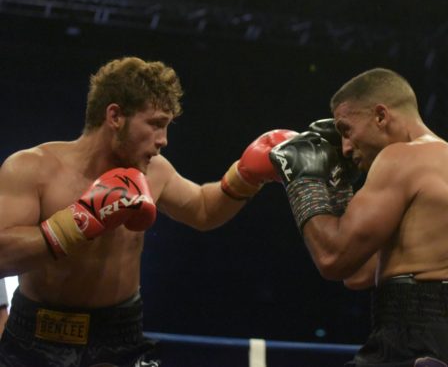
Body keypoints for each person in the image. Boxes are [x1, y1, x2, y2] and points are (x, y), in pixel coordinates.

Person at [0, 56, 296, 367]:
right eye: (155, 124)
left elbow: (204, 209)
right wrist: (78, 222)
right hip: (36, 336)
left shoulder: (154, 172)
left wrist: (246, 176)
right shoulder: (33, 168)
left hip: (119, 339)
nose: (163, 140)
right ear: (115, 116)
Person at [270, 68, 448, 367]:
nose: (345, 148)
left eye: (346, 130)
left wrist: (303, 181)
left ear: (381, 116)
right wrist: (340, 189)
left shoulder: (400, 157)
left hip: (417, 341)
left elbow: (333, 258)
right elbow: (356, 273)